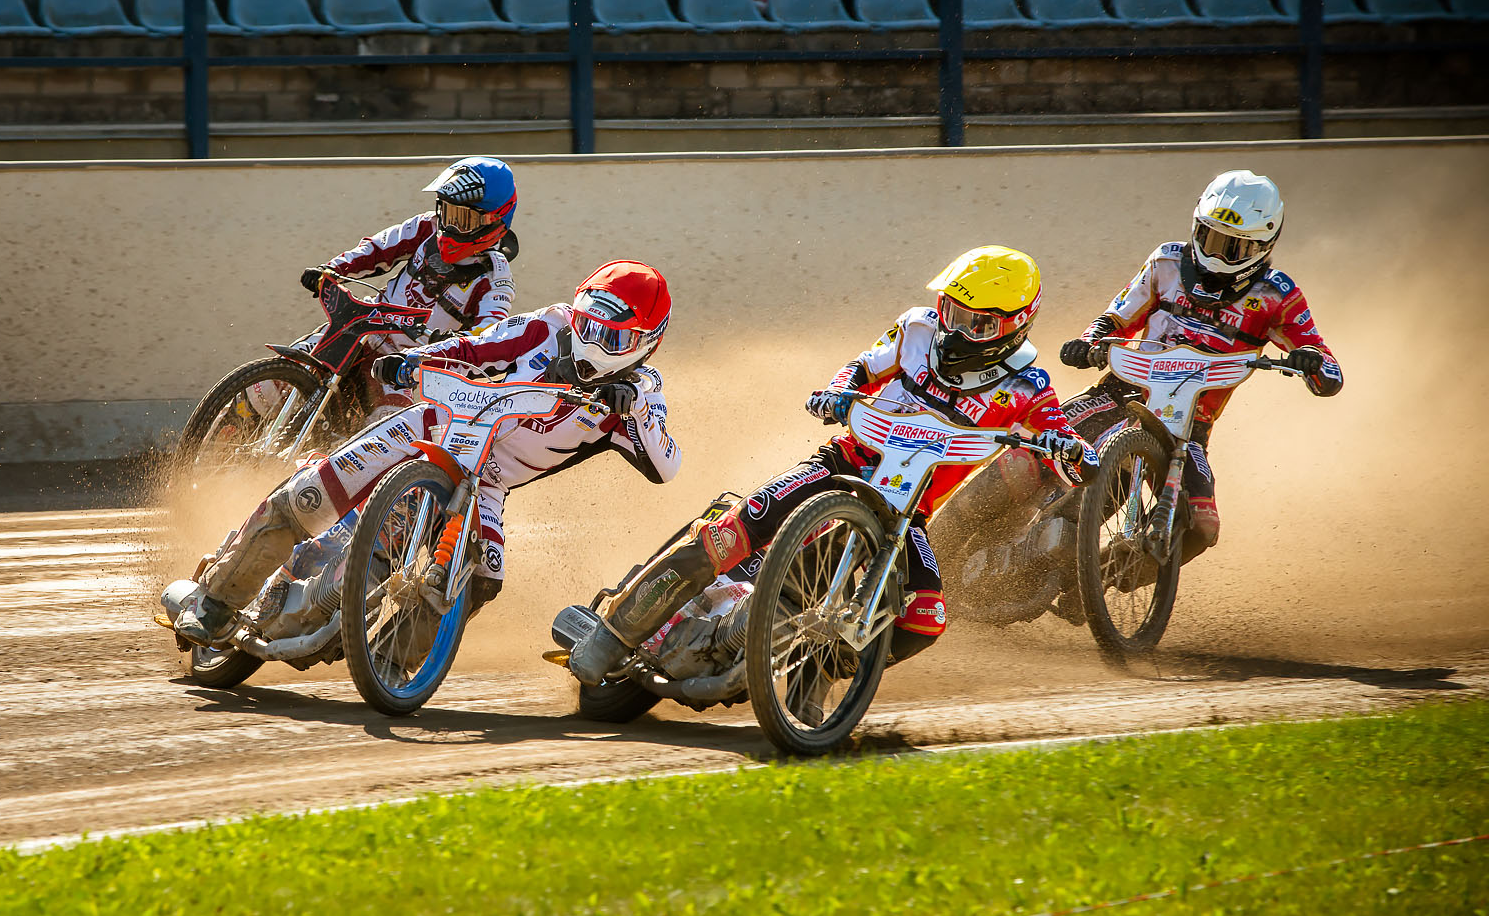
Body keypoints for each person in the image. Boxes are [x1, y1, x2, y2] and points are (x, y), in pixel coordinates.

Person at [565, 246, 1096, 685]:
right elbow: (863, 367)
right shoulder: (914, 329)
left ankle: (807, 681)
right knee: (734, 530)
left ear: (1015, 326)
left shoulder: (1027, 386)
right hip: (844, 464)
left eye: (973, 322)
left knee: (925, 619)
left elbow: (1055, 427)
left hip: (906, 514)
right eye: (950, 311)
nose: (953, 330)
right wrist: (839, 392)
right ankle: (611, 635)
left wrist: (1074, 450)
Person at [171, 260, 681, 644]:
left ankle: (389, 660)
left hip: (489, 484)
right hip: (438, 426)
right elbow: (475, 345)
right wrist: (412, 361)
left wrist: (633, 404)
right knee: (314, 491)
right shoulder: (547, 325)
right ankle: (217, 599)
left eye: (612, 336)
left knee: (484, 580)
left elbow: (667, 465)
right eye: (589, 323)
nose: (592, 339)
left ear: (646, 343)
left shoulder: (642, 391)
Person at [1055, 170, 1342, 560]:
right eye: (1210, 237)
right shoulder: (1166, 261)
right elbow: (1116, 319)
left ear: (1264, 244)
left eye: (1233, 247)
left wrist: (1313, 364)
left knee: (1201, 526)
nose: (1217, 254)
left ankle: (1100, 578)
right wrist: (1088, 343)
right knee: (1031, 452)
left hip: (1188, 423)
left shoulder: (1277, 294)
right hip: (1120, 390)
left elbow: (1329, 370)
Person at [306, 156, 520, 412]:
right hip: (363, 327)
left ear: (495, 220)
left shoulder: (496, 279)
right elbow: (377, 249)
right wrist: (332, 269)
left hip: (401, 364)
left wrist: (450, 344)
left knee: (388, 425)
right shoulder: (427, 226)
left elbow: (487, 339)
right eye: (447, 213)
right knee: (291, 365)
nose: (450, 227)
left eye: (463, 220)